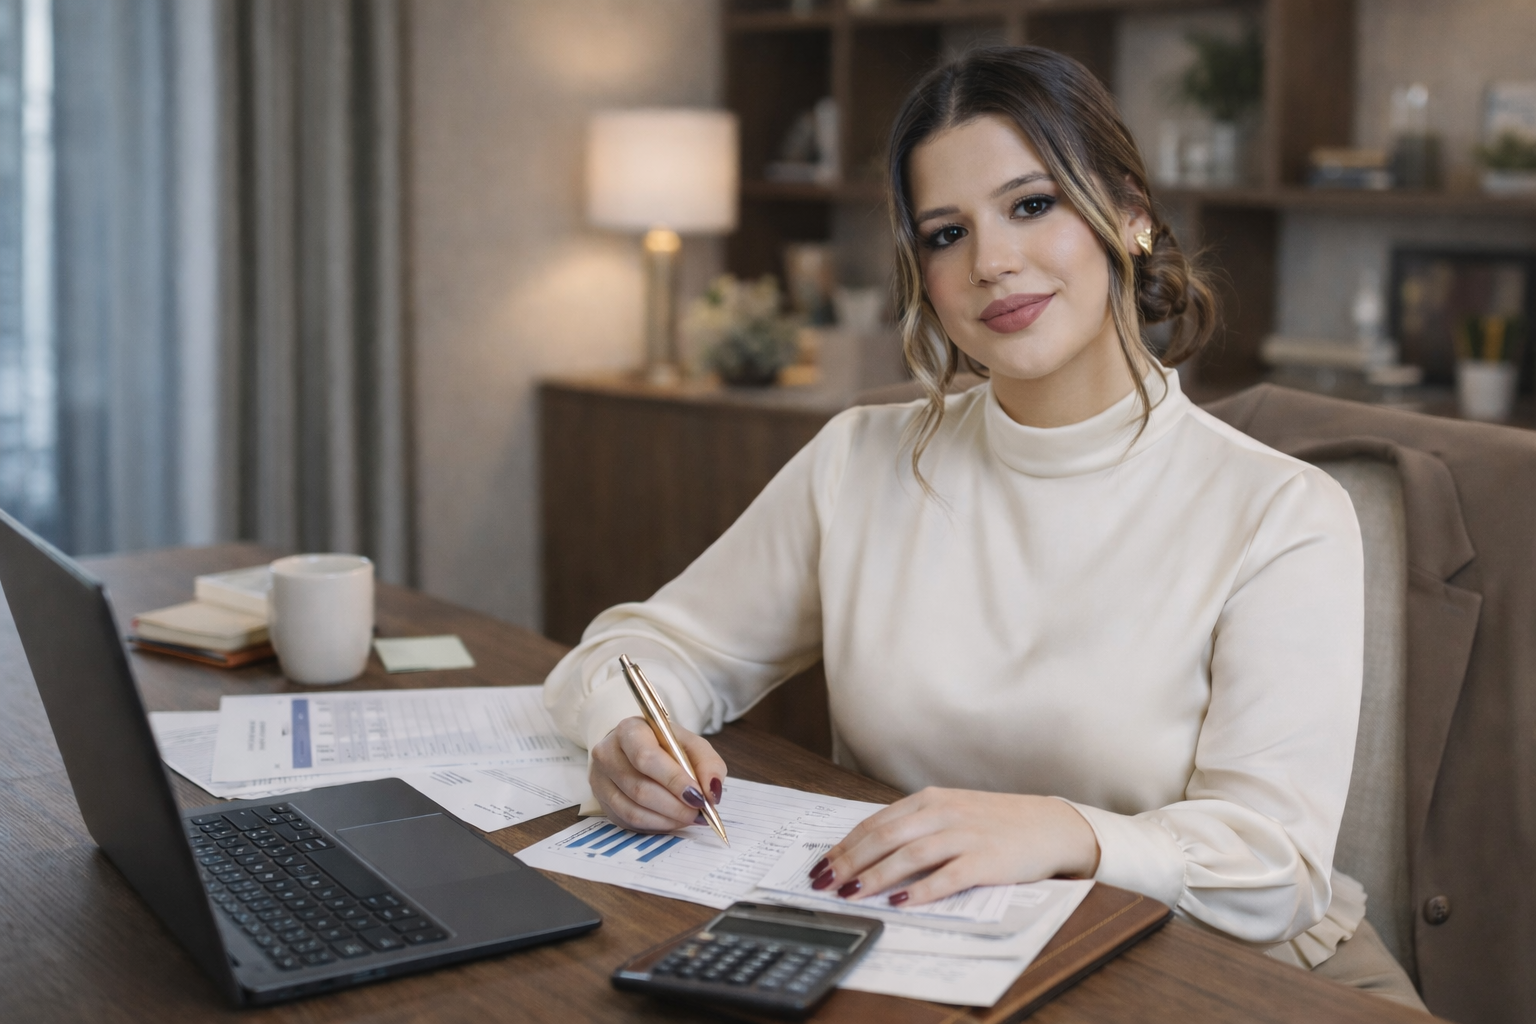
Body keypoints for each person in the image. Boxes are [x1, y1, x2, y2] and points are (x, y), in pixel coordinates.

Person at [544, 46, 1423, 1009]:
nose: (992, 262)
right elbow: (641, 649)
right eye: (946, 232)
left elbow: (1276, 870)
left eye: (1032, 205)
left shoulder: (1281, 510)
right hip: (933, 958)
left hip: (1226, 973)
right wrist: (628, 728)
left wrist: (1060, 832)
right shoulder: (859, 461)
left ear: (1130, 215)